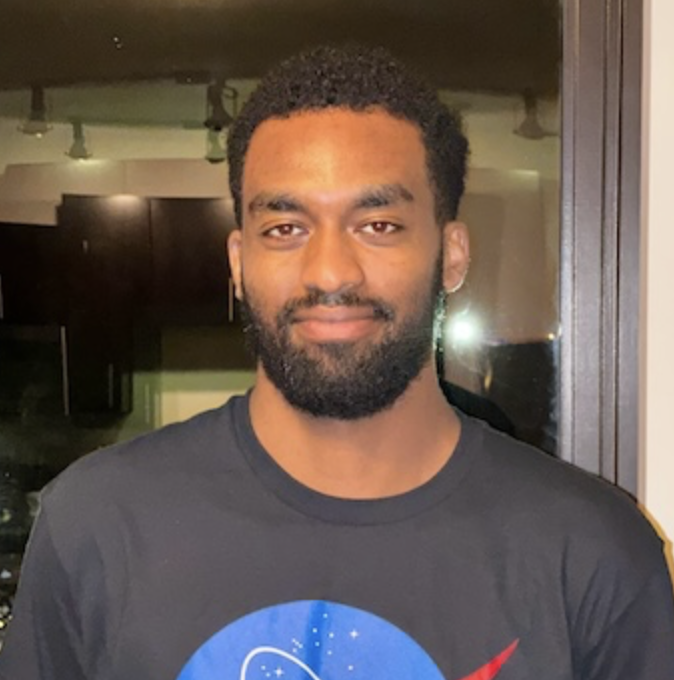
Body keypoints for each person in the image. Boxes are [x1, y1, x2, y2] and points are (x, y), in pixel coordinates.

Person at [1, 44, 673, 680]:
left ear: (452, 254)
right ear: (239, 263)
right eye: (284, 228)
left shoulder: (593, 553)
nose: (329, 271)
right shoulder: (97, 525)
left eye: (377, 225)